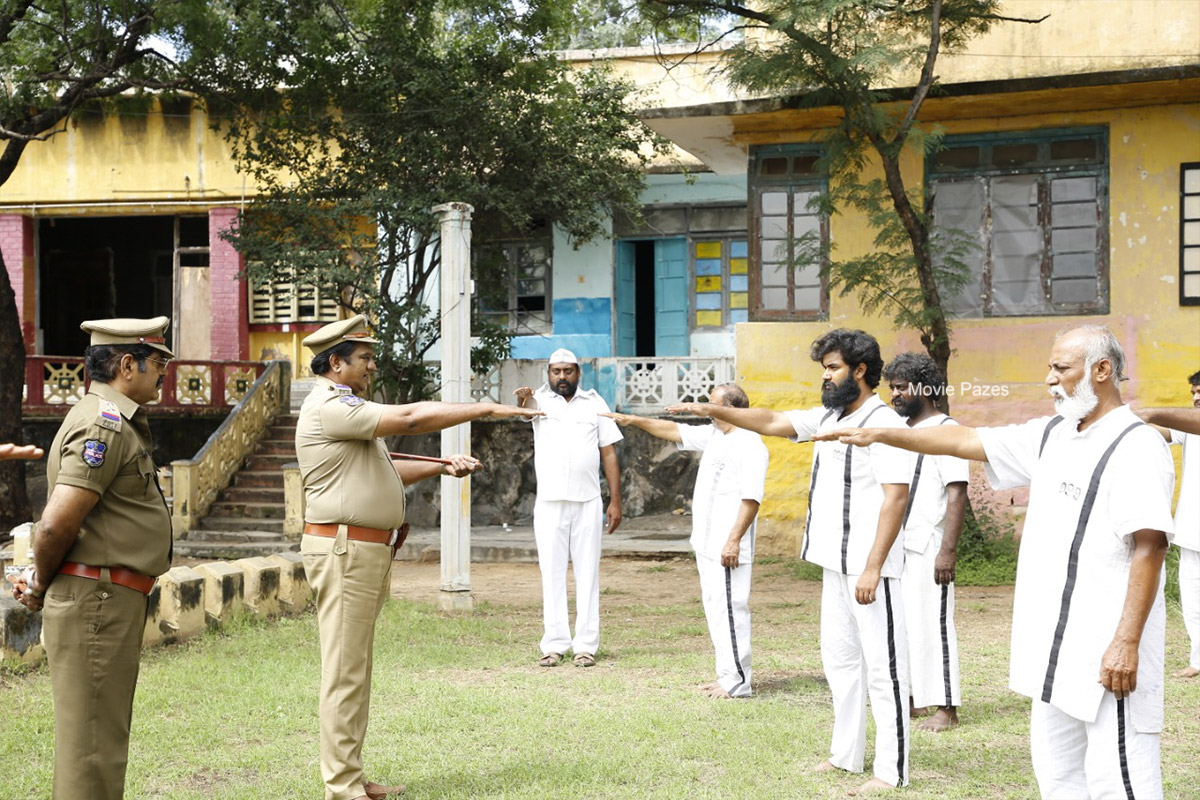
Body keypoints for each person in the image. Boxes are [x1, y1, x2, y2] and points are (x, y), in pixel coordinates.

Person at [817, 326, 1174, 799]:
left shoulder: (1135, 444)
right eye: (1050, 368)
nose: (1049, 379)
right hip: (1053, 650)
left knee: (1120, 781)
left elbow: (1150, 547)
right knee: (1059, 776)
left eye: (1061, 368)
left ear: (1102, 370)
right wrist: (879, 434)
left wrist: (1125, 643)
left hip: (1106, 651)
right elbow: (966, 441)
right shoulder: (1053, 433)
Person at [296, 314, 542, 800]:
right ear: (336, 363)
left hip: (362, 550)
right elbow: (410, 418)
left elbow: (385, 469)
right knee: (344, 672)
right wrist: (484, 408)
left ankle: (350, 775)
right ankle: (341, 787)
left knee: (354, 670)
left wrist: (441, 467)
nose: (371, 366)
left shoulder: (345, 409)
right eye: (364, 358)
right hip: (345, 550)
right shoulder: (330, 406)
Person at [667, 329, 912, 794]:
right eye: (824, 368)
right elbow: (773, 419)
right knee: (841, 664)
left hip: (870, 570)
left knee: (884, 668)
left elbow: (896, 498)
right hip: (832, 563)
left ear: (860, 370)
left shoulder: (885, 424)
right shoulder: (828, 416)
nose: (826, 376)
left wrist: (874, 566)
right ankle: (846, 756)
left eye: (833, 368)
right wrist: (714, 410)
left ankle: (891, 769)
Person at [9, 317, 175, 800]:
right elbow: (56, 523)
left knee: (99, 743)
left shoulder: (111, 419)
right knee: (92, 752)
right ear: (127, 365)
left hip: (105, 598)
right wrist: (39, 581)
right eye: (157, 362)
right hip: (97, 602)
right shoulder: (104, 423)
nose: (164, 372)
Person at [603, 383, 768, 698]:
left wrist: (733, 541)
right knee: (716, 610)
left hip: (728, 546)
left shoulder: (750, 444)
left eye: (712, 404)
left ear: (731, 409)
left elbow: (751, 499)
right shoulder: (716, 435)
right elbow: (672, 430)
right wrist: (633, 420)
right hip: (706, 544)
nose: (707, 409)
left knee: (731, 610)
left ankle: (738, 682)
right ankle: (727, 676)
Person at [513, 348, 623, 668]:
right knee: (551, 574)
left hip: (588, 501)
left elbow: (609, 453)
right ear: (548, 373)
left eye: (568, 371)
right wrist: (523, 400)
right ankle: (554, 644)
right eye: (556, 371)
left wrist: (615, 501)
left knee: (588, 574)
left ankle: (585, 646)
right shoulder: (538, 401)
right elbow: (525, 412)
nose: (562, 376)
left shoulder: (594, 402)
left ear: (578, 372)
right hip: (550, 503)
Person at [883, 353, 969, 732]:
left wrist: (947, 551)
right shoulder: (904, 432)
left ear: (925, 388)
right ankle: (914, 697)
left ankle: (947, 708)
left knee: (935, 625)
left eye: (901, 387)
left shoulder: (947, 430)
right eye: (892, 388)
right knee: (906, 626)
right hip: (901, 546)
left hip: (931, 546)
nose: (894, 395)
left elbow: (957, 493)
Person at [1141, 370, 1200, 679]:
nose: (1196, 397)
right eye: (1193, 393)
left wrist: (1149, 412)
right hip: (1192, 531)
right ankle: (1198, 659)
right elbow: (1157, 432)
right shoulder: (1188, 428)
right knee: (1194, 601)